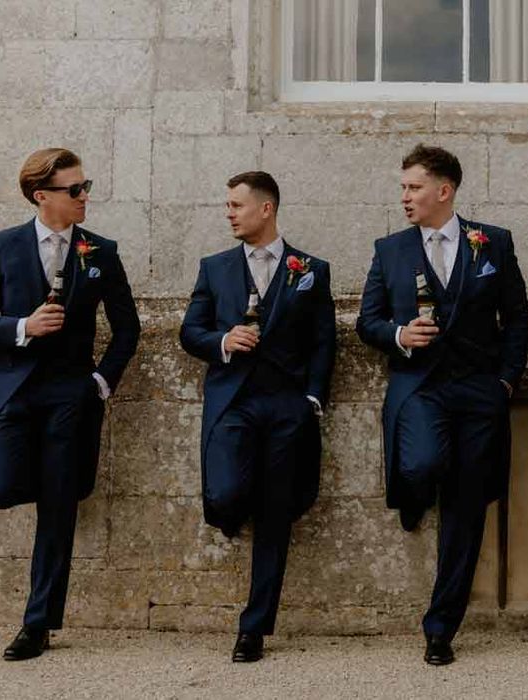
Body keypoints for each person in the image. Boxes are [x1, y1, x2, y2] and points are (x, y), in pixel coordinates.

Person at [0, 148, 140, 660]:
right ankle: (54, 480)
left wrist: (101, 383)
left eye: (86, 186)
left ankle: (37, 623)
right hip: (14, 393)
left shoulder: (100, 251)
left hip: (71, 396)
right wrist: (22, 327)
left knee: (58, 508)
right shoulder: (1, 246)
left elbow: (127, 327)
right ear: (42, 196)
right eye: (75, 189)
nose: (86, 196)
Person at [356, 144, 528, 665]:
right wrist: (401, 333)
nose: (405, 197)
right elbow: (368, 321)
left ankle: (441, 627)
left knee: (466, 508)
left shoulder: (493, 243)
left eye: (413, 187)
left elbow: (517, 318)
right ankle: (414, 491)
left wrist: (505, 381)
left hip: (480, 392)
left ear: (444, 191)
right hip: (420, 388)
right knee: (422, 463)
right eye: (404, 188)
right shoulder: (390, 249)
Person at [179, 171, 336, 662]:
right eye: (227, 205)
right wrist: (223, 341)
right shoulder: (215, 268)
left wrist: (312, 398)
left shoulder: (310, 268)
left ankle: (254, 627)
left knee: (276, 515)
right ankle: (229, 512)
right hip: (233, 402)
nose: (229, 212)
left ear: (265, 209)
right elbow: (190, 331)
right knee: (225, 493)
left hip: (287, 407)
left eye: (236, 205)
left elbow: (323, 340)